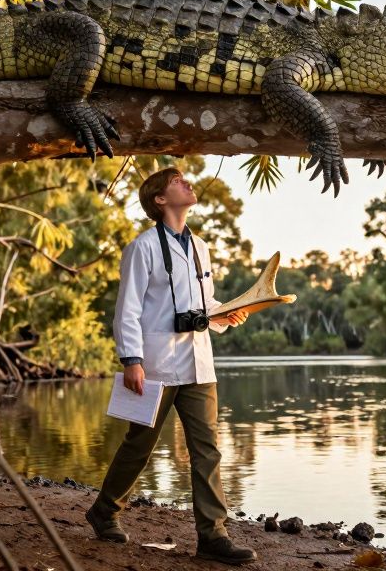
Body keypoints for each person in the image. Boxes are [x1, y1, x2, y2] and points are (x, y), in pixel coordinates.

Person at [85, 167, 257, 565]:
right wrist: (132, 360)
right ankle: (104, 511)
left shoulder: (201, 246)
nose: (188, 183)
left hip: (198, 363)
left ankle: (213, 536)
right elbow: (127, 309)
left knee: (207, 450)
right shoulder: (142, 248)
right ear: (160, 200)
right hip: (157, 364)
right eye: (178, 181)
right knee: (139, 446)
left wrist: (224, 314)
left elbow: (204, 303)